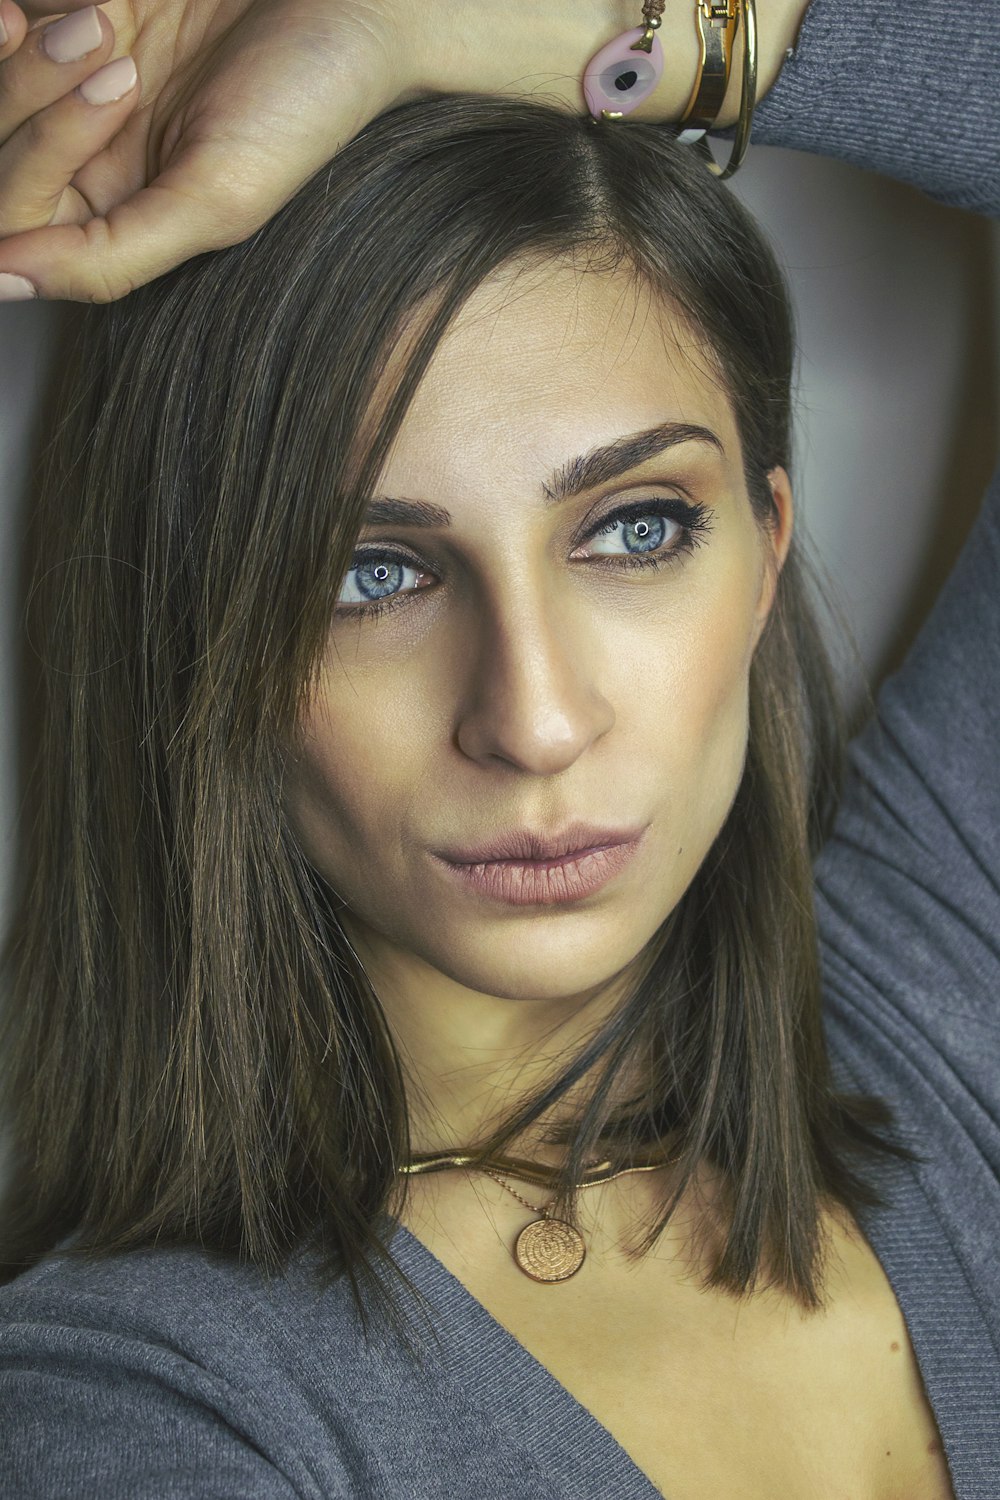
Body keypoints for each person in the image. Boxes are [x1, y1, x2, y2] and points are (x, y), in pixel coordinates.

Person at [0, 3, 997, 1499]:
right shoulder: (142, 1419)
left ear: (768, 547)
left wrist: (427, 18)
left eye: (635, 529)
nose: (532, 718)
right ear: (190, 633)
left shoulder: (951, 992)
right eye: (372, 574)